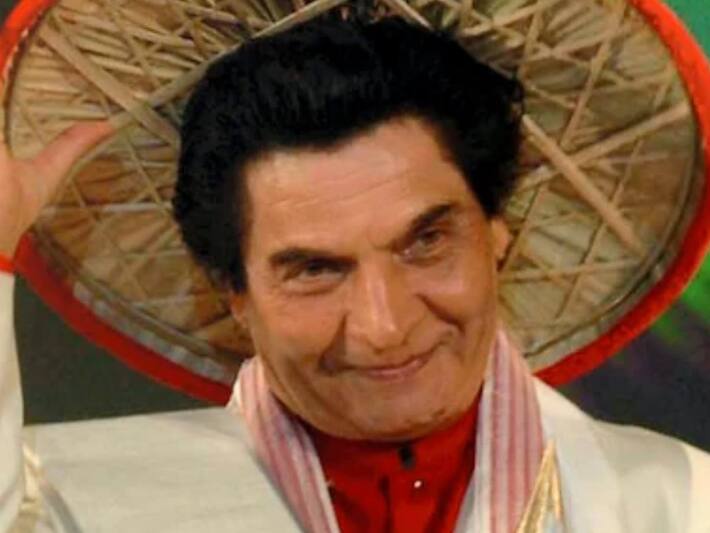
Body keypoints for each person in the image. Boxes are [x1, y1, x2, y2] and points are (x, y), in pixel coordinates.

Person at [1, 14, 709, 533]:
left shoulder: (674, 503)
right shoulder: (78, 504)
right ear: (234, 294)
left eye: (425, 243)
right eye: (315, 270)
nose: (384, 325)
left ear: (499, 233)